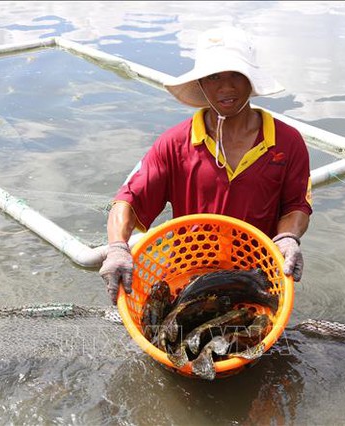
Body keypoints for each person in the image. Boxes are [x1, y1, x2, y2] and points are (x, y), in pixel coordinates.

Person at [99, 26, 313, 304]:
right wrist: (117, 247)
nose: (226, 87)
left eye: (236, 74)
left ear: (250, 79)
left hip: (258, 280)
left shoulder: (287, 141)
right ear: (201, 83)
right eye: (214, 77)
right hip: (186, 279)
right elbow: (128, 199)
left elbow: (297, 204)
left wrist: (288, 237)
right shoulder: (175, 143)